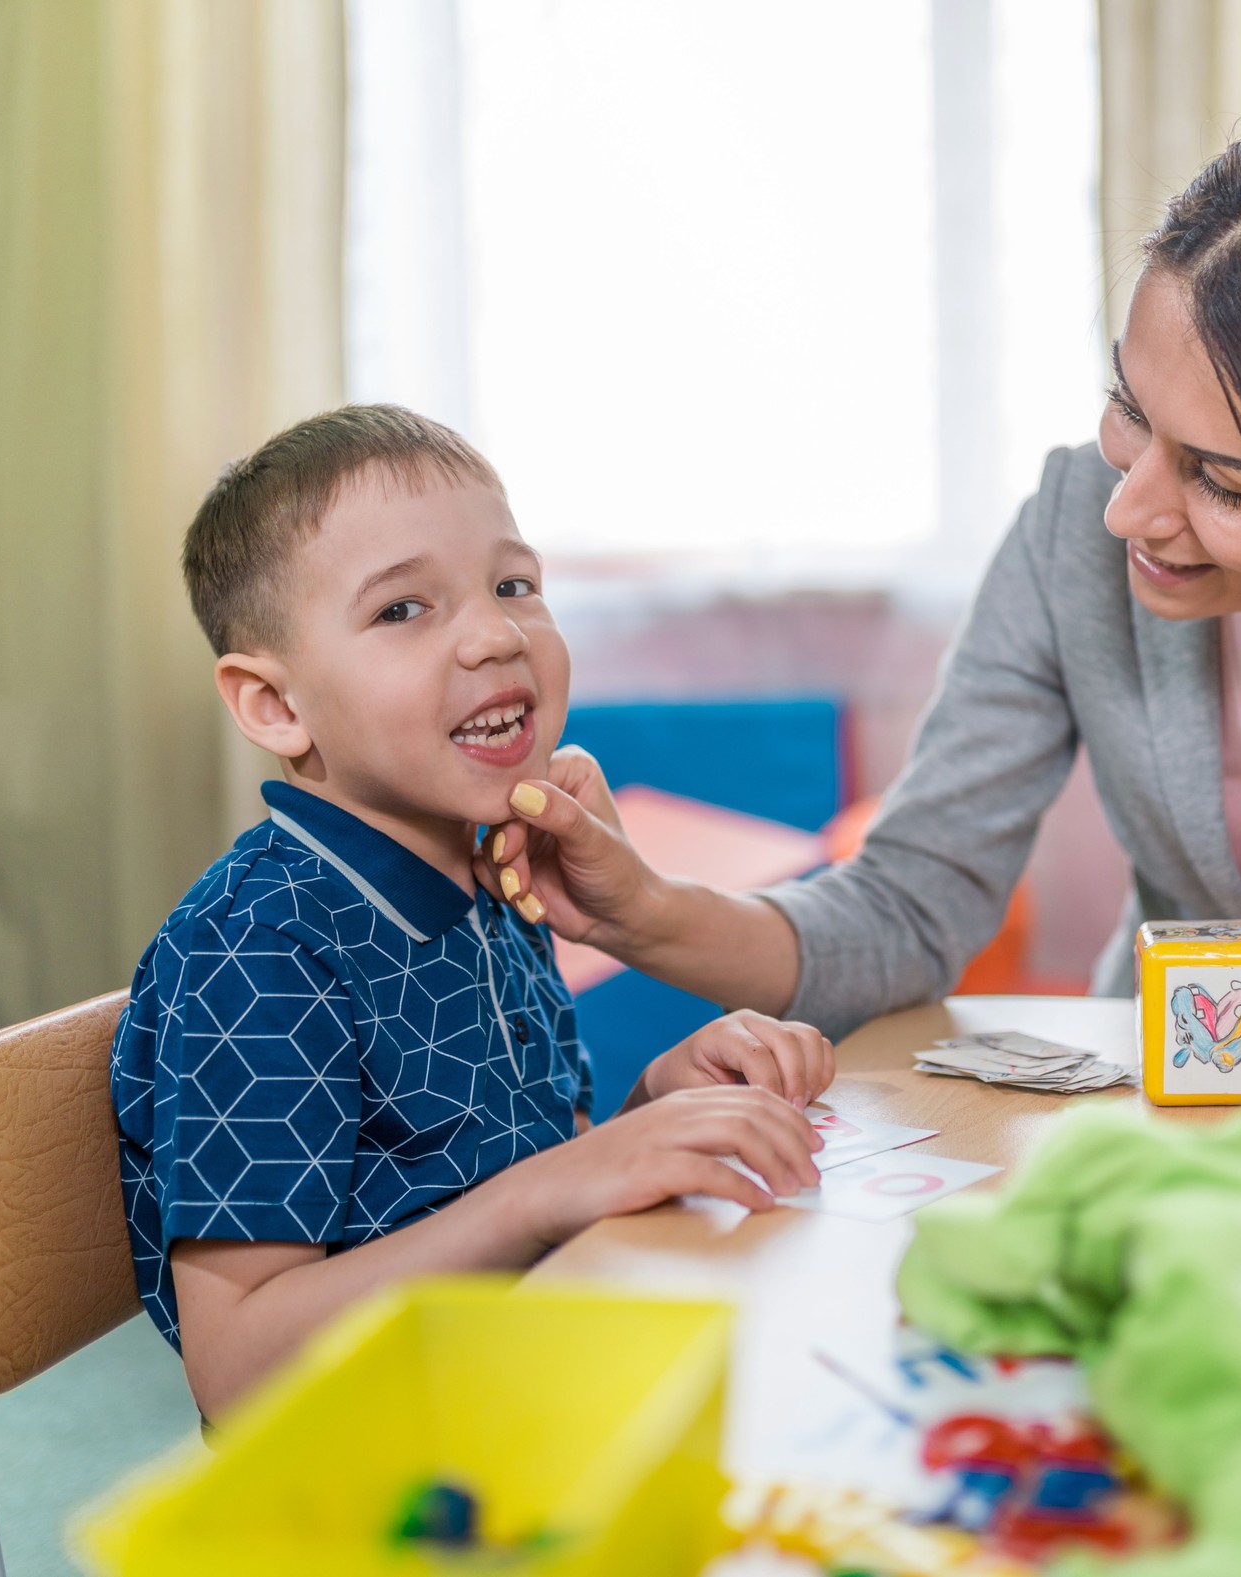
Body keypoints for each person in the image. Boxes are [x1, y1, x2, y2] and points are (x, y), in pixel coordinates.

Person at [482, 119, 1241, 1044]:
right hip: (1171, 1118)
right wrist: (641, 908)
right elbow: (914, 906)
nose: (1129, 508)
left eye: (1223, 483)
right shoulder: (1070, 520)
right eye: (1129, 413)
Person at [111, 406, 835, 1418]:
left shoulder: (494, 868)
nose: (497, 634)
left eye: (514, 585)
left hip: (535, 1389)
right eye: (403, 609)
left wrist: (650, 1116)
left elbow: (525, 1187)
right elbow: (240, 1374)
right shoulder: (258, 945)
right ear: (277, 706)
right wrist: (559, 1183)